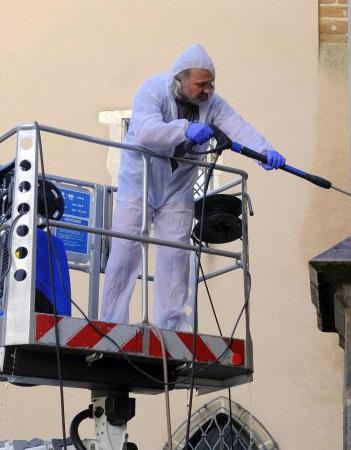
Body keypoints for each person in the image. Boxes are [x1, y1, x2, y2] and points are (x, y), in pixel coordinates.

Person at [101, 44, 285, 330]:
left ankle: (171, 324)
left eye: (211, 84)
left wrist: (264, 151)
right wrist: (184, 129)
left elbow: (238, 127)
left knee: (175, 255)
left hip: (177, 188)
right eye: (201, 84)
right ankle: (112, 321)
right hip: (139, 183)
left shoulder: (212, 104)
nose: (208, 90)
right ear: (181, 79)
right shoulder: (153, 90)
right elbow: (147, 131)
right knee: (125, 250)